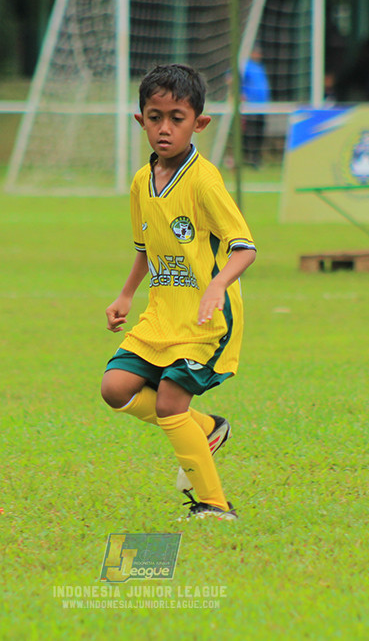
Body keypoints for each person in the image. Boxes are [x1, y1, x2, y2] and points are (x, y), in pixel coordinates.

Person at [101, 64, 257, 521]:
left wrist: (217, 285)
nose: (164, 128)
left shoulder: (204, 180)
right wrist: (126, 296)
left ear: (199, 123)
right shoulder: (141, 182)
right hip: (162, 314)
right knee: (115, 388)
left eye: (177, 118)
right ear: (141, 120)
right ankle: (205, 428)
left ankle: (215, 505)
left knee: (170, 402)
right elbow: (145, 249)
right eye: (155, 118)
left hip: (206, 319)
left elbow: (245, 248)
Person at [241, 46, 270, 168]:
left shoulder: (260, 67)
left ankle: (257, 159)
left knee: (259, 134)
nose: (258, 55)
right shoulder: (245, 65)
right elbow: (231, 78)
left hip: (262, 107)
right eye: (256, 53)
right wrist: (240, 94)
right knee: (250, 133)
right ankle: (249, 159)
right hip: (250, 107)